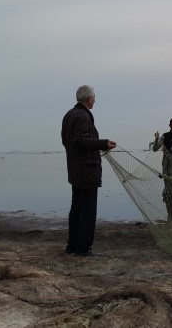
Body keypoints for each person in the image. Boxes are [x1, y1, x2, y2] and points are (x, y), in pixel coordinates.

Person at [61, 85, 116, 256]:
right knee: (87, 211)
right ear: (89, 99)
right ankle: (83, 249)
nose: (95, 100)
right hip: (87, 170)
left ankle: (73, 246)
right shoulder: (83, 116)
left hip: (75, 169)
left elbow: (66, 141)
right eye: (94, 97)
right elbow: (81, 140)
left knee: (76, 208)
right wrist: (102, 143)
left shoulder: (69, 115)